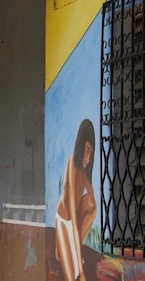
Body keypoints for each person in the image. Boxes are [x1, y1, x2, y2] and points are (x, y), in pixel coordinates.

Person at [55, 119, 96, 281]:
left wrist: (91, 197)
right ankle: (64, 250)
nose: (88, 156)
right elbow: (71, 216)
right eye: (86, 150)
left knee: (93, 207)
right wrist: (81, 267)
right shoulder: (72, 163)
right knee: (73, 277)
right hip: (64, 220)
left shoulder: (86, 172)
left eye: (91, 153)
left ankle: (68, 251)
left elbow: (92, 202)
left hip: (75, 222)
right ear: (80, 146)